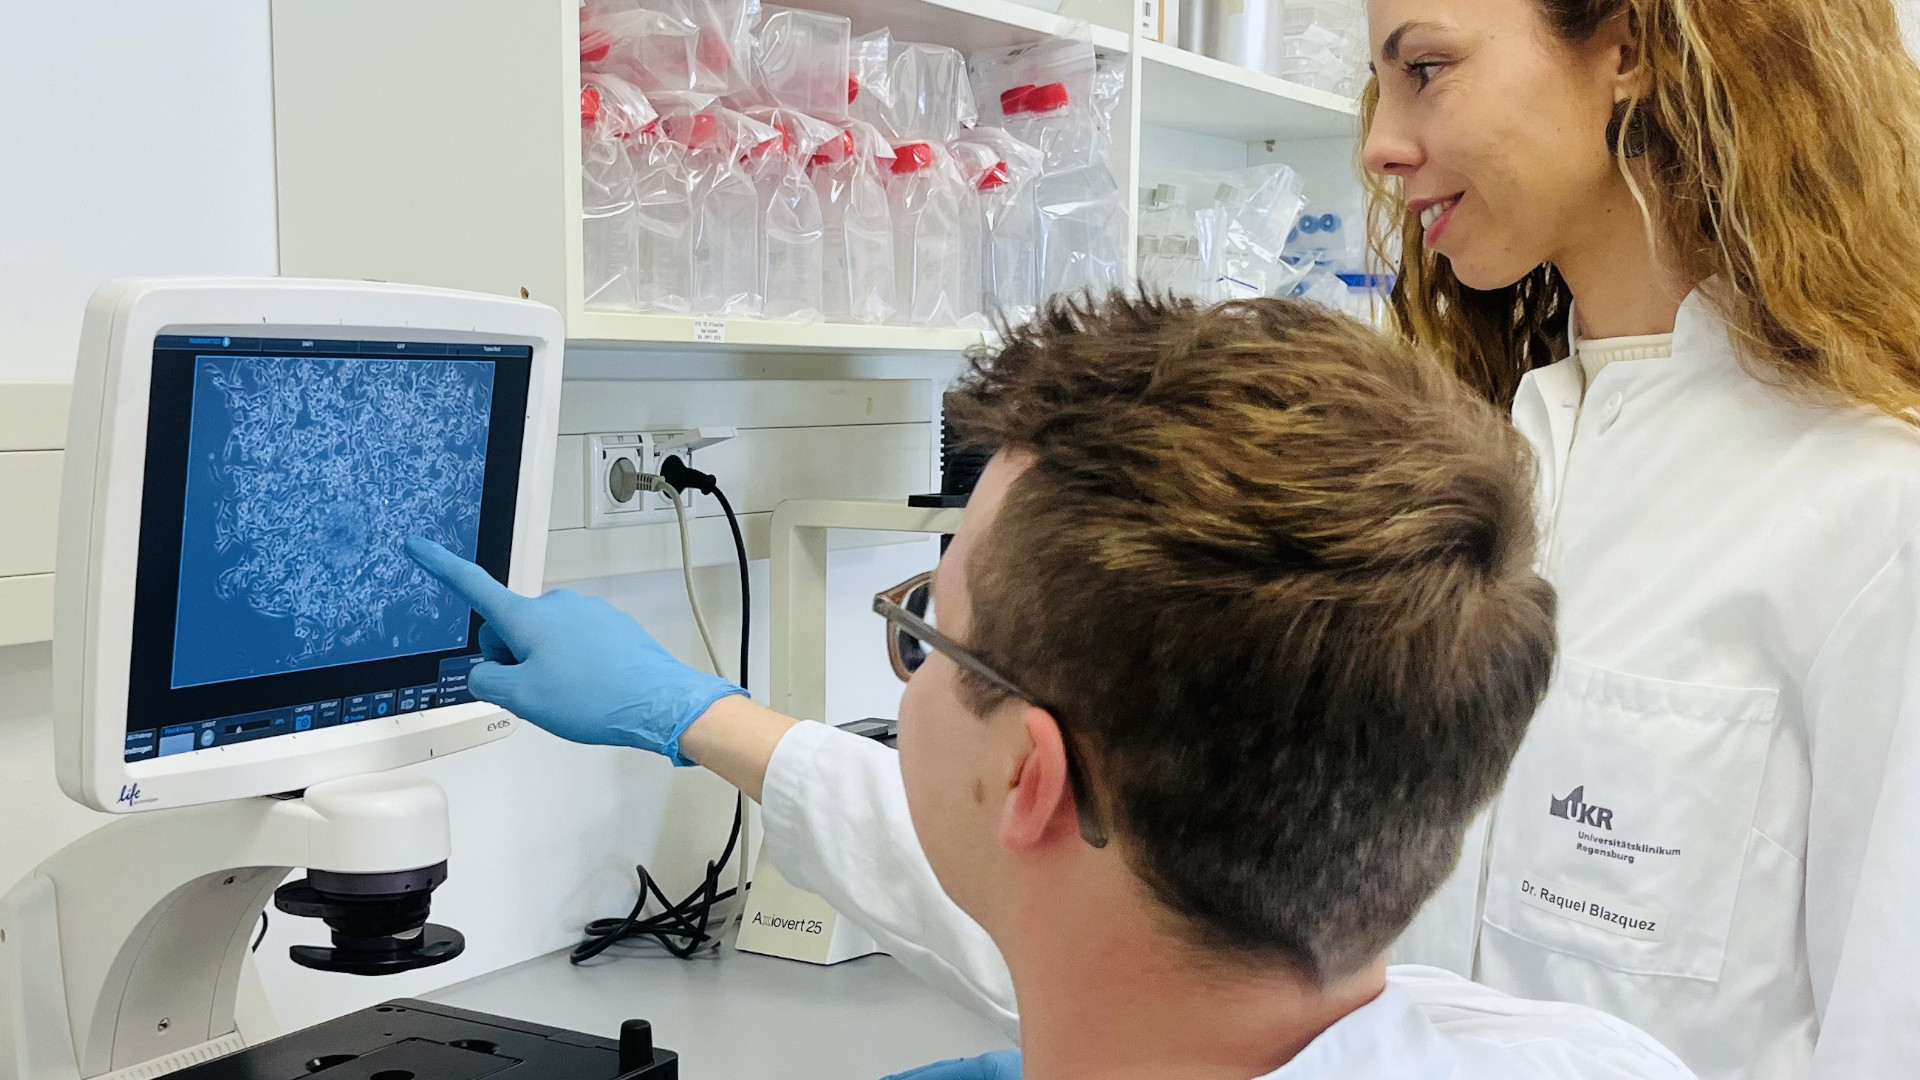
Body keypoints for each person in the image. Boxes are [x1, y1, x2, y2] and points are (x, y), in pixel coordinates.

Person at [411, 295, 1694, 1080]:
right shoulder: (1585, 1059)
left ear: (1030, 773)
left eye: (924, 627)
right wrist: (689, 713)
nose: (907, 659)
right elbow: (1100, 915)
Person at [1358, 1, 1920, 1077]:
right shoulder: (1491, 460)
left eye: (1425, 68)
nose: (1383, 141)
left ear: (1628, 49)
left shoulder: (1876, 508)